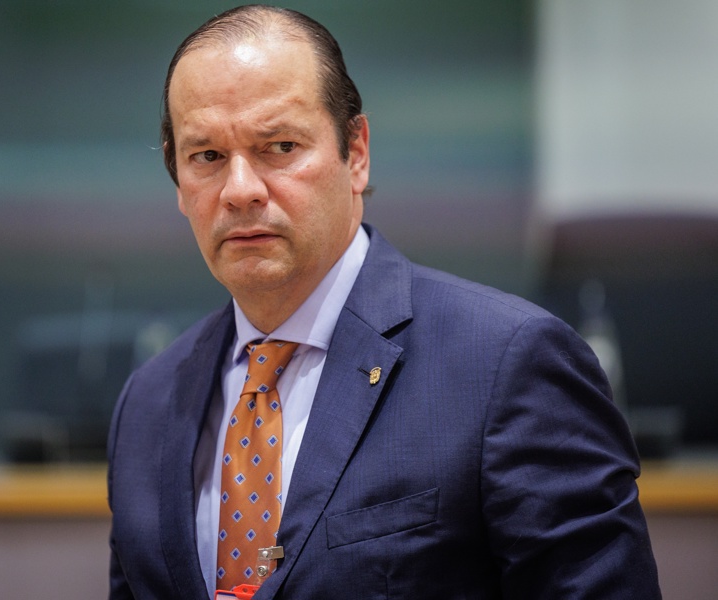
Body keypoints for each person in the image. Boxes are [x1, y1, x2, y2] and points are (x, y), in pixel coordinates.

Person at [106, 5, 661, 599]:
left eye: (280, 145)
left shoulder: (508, 365)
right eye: (207, 157)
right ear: (178, 181)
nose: (240, 190)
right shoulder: (148, 402)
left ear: (357, 152)